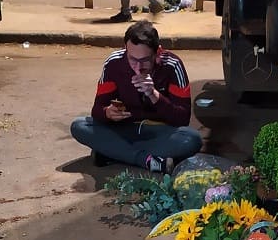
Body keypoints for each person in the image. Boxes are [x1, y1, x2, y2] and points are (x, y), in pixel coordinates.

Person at [70, 20, 202, 172]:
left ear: (157, 53)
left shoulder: (172, 65)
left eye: (145, 60)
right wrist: (108, 112)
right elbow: (97, 110)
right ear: (125, 49)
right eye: (132, 60)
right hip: (124, 128)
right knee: (79, 126)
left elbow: (182, 118)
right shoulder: (114, 63)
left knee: (191, 140)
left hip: (159, 131)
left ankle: (113, 152)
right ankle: (145, 159)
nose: (138, 68)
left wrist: (154, 95)